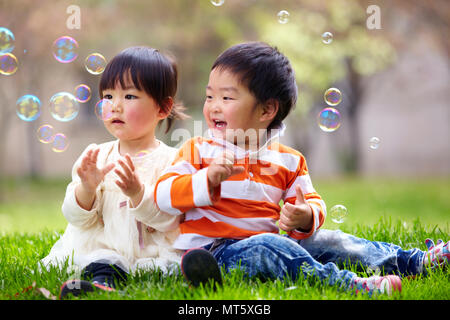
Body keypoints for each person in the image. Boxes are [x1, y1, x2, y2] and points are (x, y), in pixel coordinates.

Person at [154, 41, 449, 296]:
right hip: (214, 253)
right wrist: (206, 179)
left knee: (326, 239)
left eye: (226, 98)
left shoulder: (289, 160)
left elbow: (312, 202)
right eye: (209, 96)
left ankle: (416, 261)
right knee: (269, 246)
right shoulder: (197, 150)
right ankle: (350, 285)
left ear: (266, 110)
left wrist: (306, 216)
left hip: (269, 243)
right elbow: (162, 195)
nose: (213, 106)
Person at [40, 46, 189, 299]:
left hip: (150, 253)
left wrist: (138, 194)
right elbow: (76, 219)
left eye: (129, 96)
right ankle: (100, 284)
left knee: (164, 268)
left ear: (163, 108)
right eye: (108, 96)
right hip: (104, 247)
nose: (115, 106)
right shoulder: (95, 157)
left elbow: (172, 220)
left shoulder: (173, 161)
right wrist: (86, 189)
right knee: (102, 260)